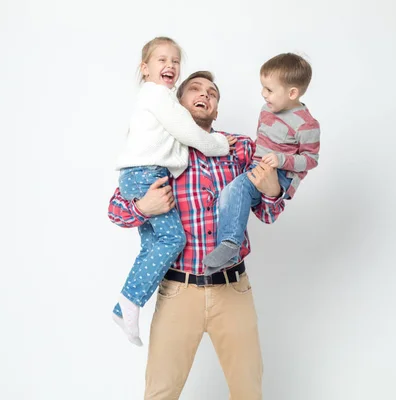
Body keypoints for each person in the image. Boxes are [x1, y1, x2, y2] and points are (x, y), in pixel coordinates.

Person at [108, 71, 285, 400]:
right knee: (160, 392)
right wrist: (144, 207)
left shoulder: (241, 149)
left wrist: (272, 188)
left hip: (233, 289)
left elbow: (268, 212)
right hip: (178, 290)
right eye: (195, 90)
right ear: (177, 104)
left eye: (212, 93)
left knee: (249, 391)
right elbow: (116, 211)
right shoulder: (157, 152)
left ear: (216, 110)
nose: (204, 95)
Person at [112, 37, 232, 346]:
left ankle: (124, 307)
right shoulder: (160, 98)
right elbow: (189, 132)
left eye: (175, 61)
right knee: (173, 238)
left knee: (152, 244)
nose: (170, 65)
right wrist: (142, 207)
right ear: (145, 68)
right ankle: (130, 301)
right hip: (145, 177)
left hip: (141, 174)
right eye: (161, 60)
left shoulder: (157, 103)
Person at [203, 53, 321, 274]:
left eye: (269, 89)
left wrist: (281, 160)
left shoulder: (307, 124)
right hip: (257, 167)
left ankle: (230, 244)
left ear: (292, 93)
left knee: (237, 188)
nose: (263, 93)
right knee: (231, 191)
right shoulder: (266, 109)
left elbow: (311, 160)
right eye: (263, 87)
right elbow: (263, 141)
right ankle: (227, 252)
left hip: (281, 175)